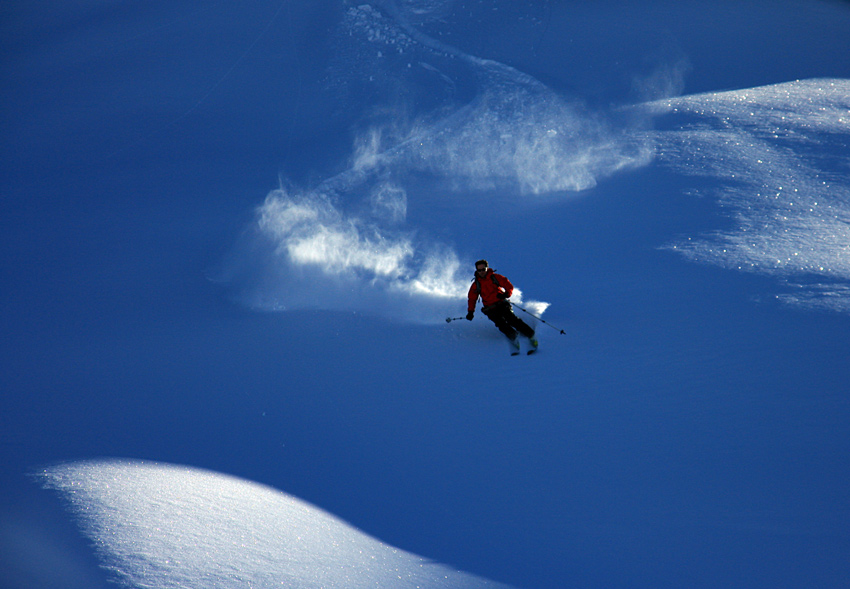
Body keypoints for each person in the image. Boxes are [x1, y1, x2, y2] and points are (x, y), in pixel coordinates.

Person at [466, 259, 537, 353]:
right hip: (490, 308)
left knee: (512, 319)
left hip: (501, 304)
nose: (481, 272)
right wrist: (471, 312)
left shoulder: (495, 277)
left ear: (487, 268)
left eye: (483, 269)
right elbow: (472, 299)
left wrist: (505, 294)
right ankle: (513, 337)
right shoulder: (476, 284)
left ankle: (531, 335)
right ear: (476, 271)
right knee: (501, 324)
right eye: (479, 270)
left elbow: (508, 286)